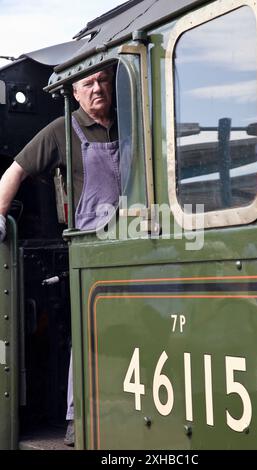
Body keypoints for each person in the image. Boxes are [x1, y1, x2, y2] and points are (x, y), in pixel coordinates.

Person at [0, 66, 120, 446]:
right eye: (88, 83)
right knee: (89, 332)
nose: (97, 88)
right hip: (92, 245)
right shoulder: (61, 129)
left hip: (136, 235)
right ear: (75, 91)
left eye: (103, 80)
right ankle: (77, 416)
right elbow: (14, 171)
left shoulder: (129, 122)